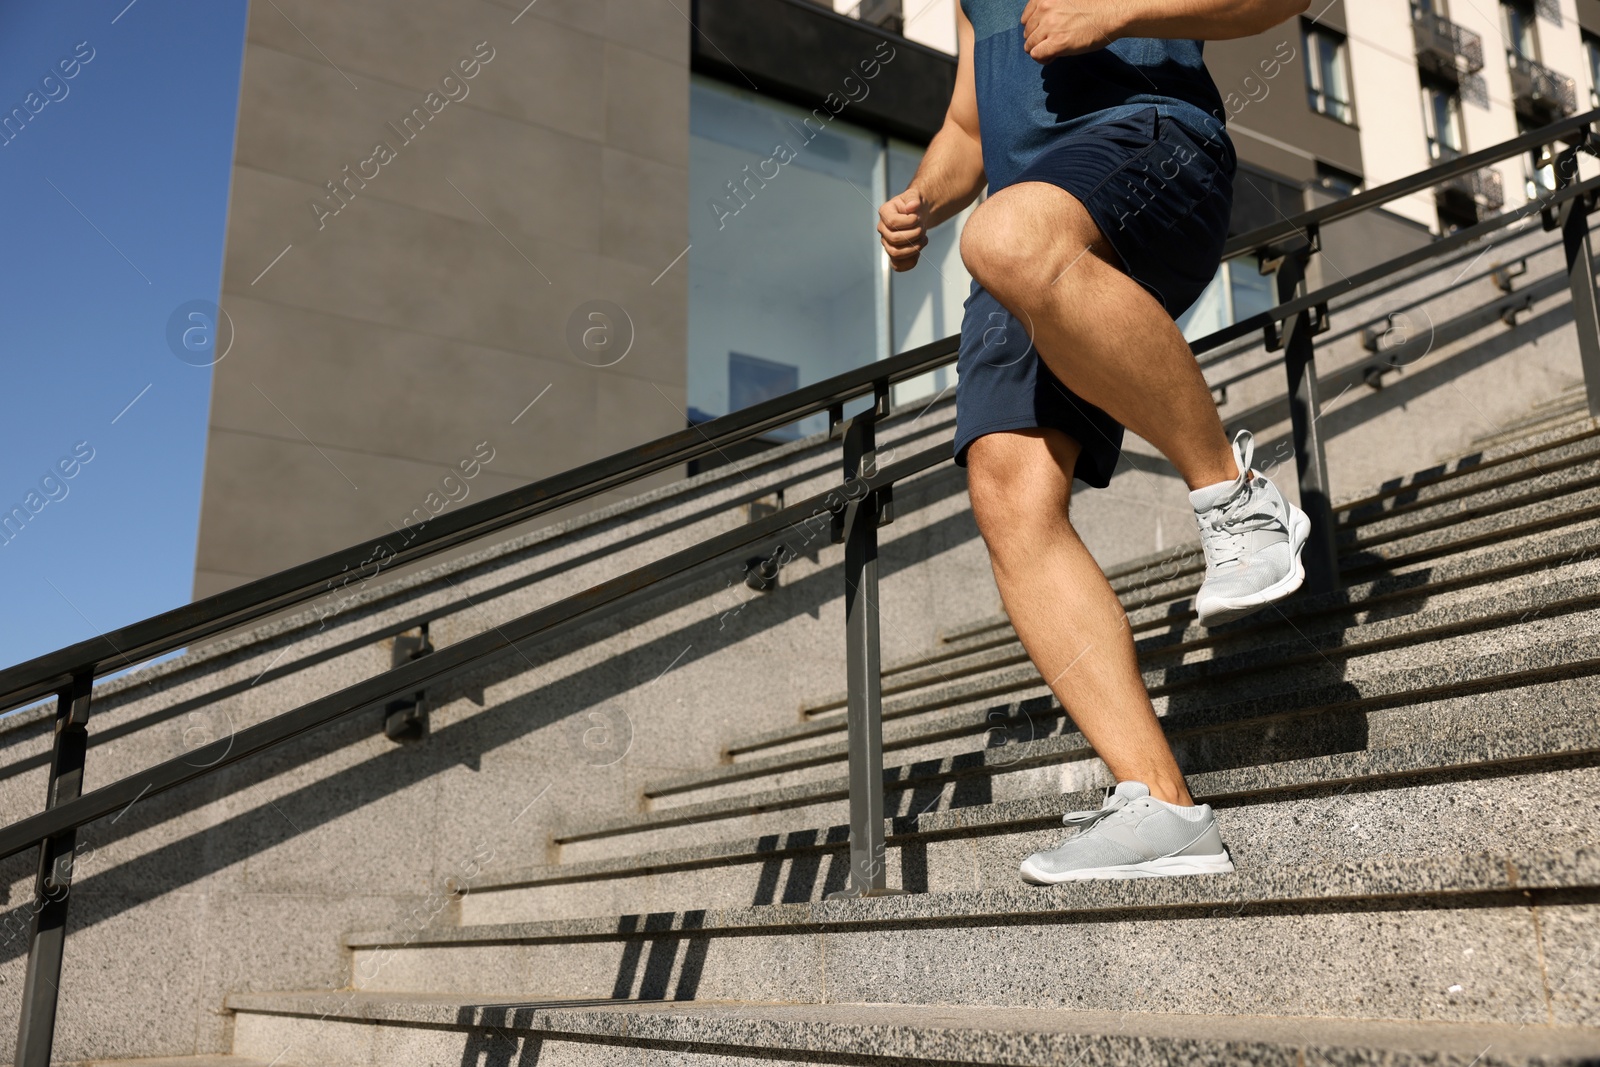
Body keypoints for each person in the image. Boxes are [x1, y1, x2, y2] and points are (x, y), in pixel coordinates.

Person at [877, 0, 1311, 882]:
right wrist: (922, 196)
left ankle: (1237, 498)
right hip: (1026, 223)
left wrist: (1119, 13)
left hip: (1150, 144)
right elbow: (968, 122)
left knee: (1006, 236)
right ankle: (1161, 805)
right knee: (1007, 489)